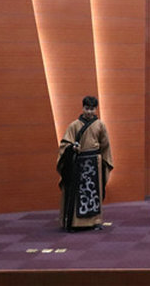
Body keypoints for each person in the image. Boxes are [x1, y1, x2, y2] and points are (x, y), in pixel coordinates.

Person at [57, 96, 113, 232]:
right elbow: (65, 144)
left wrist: (104, 162)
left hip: (95, 163)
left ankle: (95, 221)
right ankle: (76, 223)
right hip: (78, 163)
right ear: (82, 108)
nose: (89, 112)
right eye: (87, 108)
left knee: (94, 193)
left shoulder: (100, 125)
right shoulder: (74, 125)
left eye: (92, 109)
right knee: (78, 194)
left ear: (96, 109)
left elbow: (105, 145)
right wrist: (72, 148)